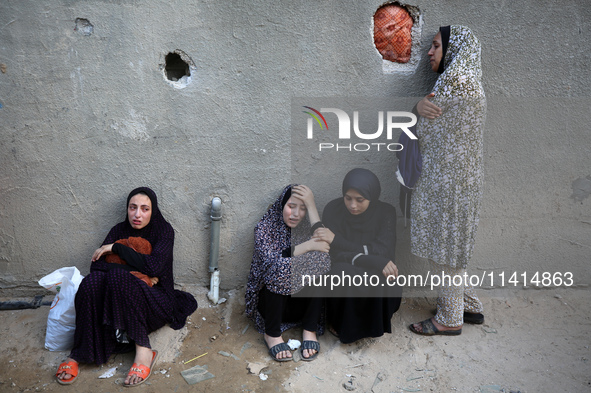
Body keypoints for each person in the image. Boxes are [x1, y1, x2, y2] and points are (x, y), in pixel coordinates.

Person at [55, 187, 198, 386]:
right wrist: (138, 271)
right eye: (133, 208)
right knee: (91, 282)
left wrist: (117, 248)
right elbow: (97, 265)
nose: (137, 214)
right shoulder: (118, 230)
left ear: (153, 210)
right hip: (120, 296)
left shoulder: (163, 232)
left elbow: (155, 266)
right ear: (127, 209)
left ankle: (143, 351)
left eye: (144, 209)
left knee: (117, 276)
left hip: (156, 301)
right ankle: (80, 351)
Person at [409, 26, 486, 336]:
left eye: (436, 46)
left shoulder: (454, 82)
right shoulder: (472, 81)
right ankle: (470, 305)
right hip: (463, 180)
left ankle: (449, 319)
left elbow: (424, 129)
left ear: (454, 49)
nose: (429, 52)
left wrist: (415, 109)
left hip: (447, 183)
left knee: (445, 250)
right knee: (453, 247)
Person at [314, 168, 402, 344]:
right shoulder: (333, 209)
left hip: (374, 268)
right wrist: (370, 258)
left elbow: (383, 251)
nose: (353, 205)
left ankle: (372, 325)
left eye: (360, 200)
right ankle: (341, 324)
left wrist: (337, 240)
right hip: (344, 267)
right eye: (348, 198)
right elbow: (333, 253)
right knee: (342, 273)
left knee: (385, 274)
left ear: (372, 196)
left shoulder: (385, 212)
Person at [245, 185, 331, 362]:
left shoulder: (307, 228)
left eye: (303, 208)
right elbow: (272, 263)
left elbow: (324, 251)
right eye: (291, 206)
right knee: (280, 269)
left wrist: (312, 205)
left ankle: (309, 329)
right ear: (281, 205)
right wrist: (308, 247)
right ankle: (272, 335)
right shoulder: (264, 228)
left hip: (301, 306)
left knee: (322, 261)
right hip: (272, 307)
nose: (296, 214)